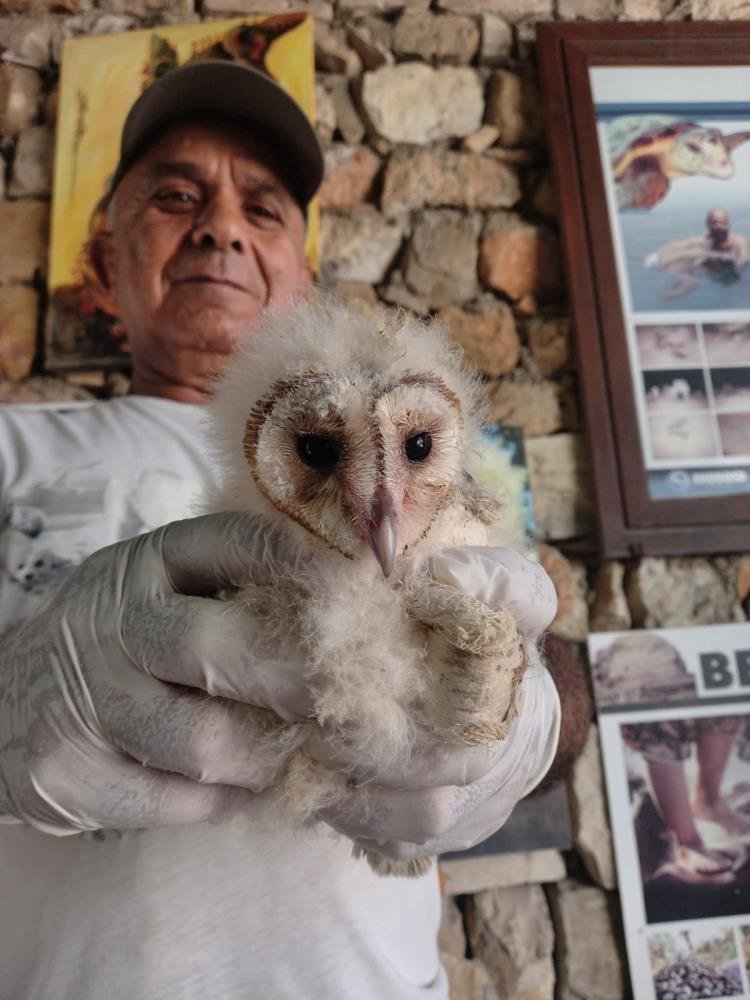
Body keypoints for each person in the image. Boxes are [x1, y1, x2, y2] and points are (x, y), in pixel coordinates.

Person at [0, 60, 563, 998]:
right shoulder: (11, 445)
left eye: (263, 210)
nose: (221, 225)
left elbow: (550, 658)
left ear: (305, 273)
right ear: (103, 263)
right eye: (176, 196)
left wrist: (532, 721)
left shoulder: (429, 461)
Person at [644, 208, 750, 300]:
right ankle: (664, 294)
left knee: (697, 259)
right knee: (684, 261)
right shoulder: (705, 240)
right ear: (707, 224)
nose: (718, 226)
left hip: (733, 276)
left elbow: (743, 259)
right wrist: (655, 254)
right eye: (714, 222)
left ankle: (686, 283)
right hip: (713, 273)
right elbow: (677, 245)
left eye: (721, 222)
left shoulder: (739, 241)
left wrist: (729, 262)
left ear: (728, 223)